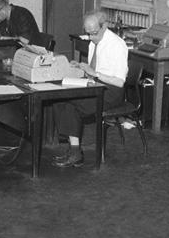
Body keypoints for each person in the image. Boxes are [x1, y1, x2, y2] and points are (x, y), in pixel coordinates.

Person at [52, 10, 129, 168]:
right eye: (88, 34)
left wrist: (95, 73)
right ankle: (74, 151)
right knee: (59, 97)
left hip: (111, 91)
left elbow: (120, 82)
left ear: (104, 26)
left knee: (71, 103)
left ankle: (75, 153)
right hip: (96, 85)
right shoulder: (95, 41)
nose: (91, 38)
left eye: (94, 33)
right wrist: (80, 67)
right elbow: (93, 70)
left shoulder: (117, 45)